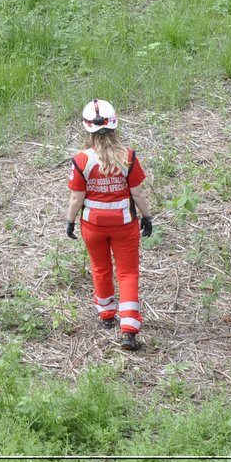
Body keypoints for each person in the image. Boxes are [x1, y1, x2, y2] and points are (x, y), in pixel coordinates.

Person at [65, 99, 154, 351]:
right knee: (127, 273)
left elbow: (76, 198)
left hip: (92, 227)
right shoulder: (128, 157)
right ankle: (128, 329)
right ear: (114, 125)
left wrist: (70, 221)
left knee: (100, 268)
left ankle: (106, 316)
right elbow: (137, 193)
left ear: (86, 128)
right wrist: (147, 217)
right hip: (125, 226)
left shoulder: (81, 160)